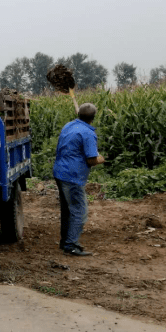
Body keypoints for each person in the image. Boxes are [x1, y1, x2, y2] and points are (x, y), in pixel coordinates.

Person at [53, 103, 105, 256]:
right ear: (93, 118)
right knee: (79, 211)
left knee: (67, 210)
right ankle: (71, 245)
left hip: (60, 172)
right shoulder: (88, 133)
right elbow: (91, 160)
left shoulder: (69, 126)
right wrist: (101, 159)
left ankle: (65, 242)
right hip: (73, 176)